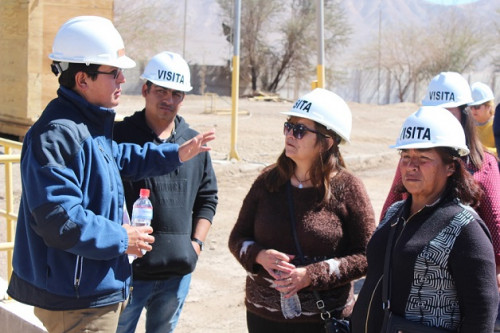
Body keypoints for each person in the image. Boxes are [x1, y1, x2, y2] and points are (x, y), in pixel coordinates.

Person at [6, 16, 214, 333]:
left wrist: (176, 153)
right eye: (114, 72)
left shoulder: (87, 126)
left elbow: (120, 157)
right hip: (76, 300)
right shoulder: (56, 135)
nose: (121, 79)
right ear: (82, 79)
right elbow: (60, 220)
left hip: (91, 291)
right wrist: (123, 238)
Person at [228, 88, 376, 333]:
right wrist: (259, 255)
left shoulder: (349, 188)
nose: (290, 135)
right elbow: (237, 238)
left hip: (323, 321)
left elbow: (367, 256)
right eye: (288, 126)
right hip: (262, 319)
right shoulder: (267, 181)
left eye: (300, 130)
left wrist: (312, 275)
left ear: (327, 141)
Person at [351, 106, 498, 333]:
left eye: (423, 158)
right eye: (406, 156)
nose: (411, 166)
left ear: (450, 166)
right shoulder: (395, 213)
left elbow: (482, 313)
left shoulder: (465, 228)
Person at [113, 51, 218, 333]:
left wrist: (195, 244)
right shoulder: (118, 137)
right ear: (145, 90)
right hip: (128, 273)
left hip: (176, 273)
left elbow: (208, 198)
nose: (168, 100)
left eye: (176, 93)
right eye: (161, 91)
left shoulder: (194, 143)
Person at [380, 72, 500, 289]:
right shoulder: (411, 159)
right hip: (411, 270)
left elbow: (495, 222)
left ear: (465, 114)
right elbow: (391, 208)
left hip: (461, 276)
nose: (439, 120)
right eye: (435, 112)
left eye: (447, 112)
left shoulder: (484, 163)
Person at [469, 81, 497, 157]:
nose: (473, 110)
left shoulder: (496, 125)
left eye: (477, 106)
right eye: (471, 107)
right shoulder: (468, 126)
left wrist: (484, 150)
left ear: (488, 106)